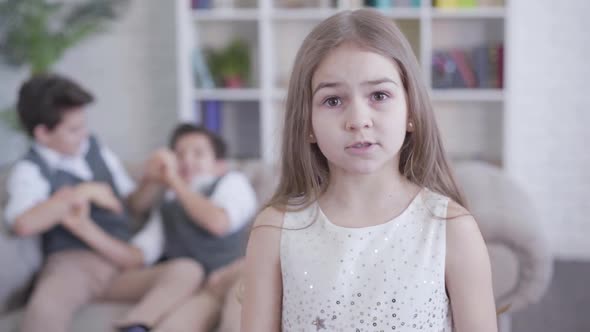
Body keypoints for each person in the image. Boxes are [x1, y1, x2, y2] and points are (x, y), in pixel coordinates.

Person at [241, 9, 498, 332]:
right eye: (333, 100)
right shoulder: (274, 231)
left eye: (379, 95)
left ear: (411, 111)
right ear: (307, 123)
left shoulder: (452, 229)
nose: (358, 120)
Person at [5, 74, 202, 332]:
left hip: (121, 264)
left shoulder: (94, 148)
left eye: (83, 125)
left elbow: (133, 205)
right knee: (44, 311)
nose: (83, 134)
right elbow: (24, 224)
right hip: (74, 267)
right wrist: (83, 192)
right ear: (43, 133)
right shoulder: (29, 171)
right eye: (73, 130)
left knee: (187, 270)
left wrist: (152, 180)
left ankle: (136, 324)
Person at [125, 123, 257, 331]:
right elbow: (144, 250)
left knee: (237, 321)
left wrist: (175, 181)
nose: (186, 160)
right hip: (203, 289)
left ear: (219, 165)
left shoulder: (233, 182)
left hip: (236, 276)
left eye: (198, 154)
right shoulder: (168, 202)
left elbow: (218, 223)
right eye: (179, 154)